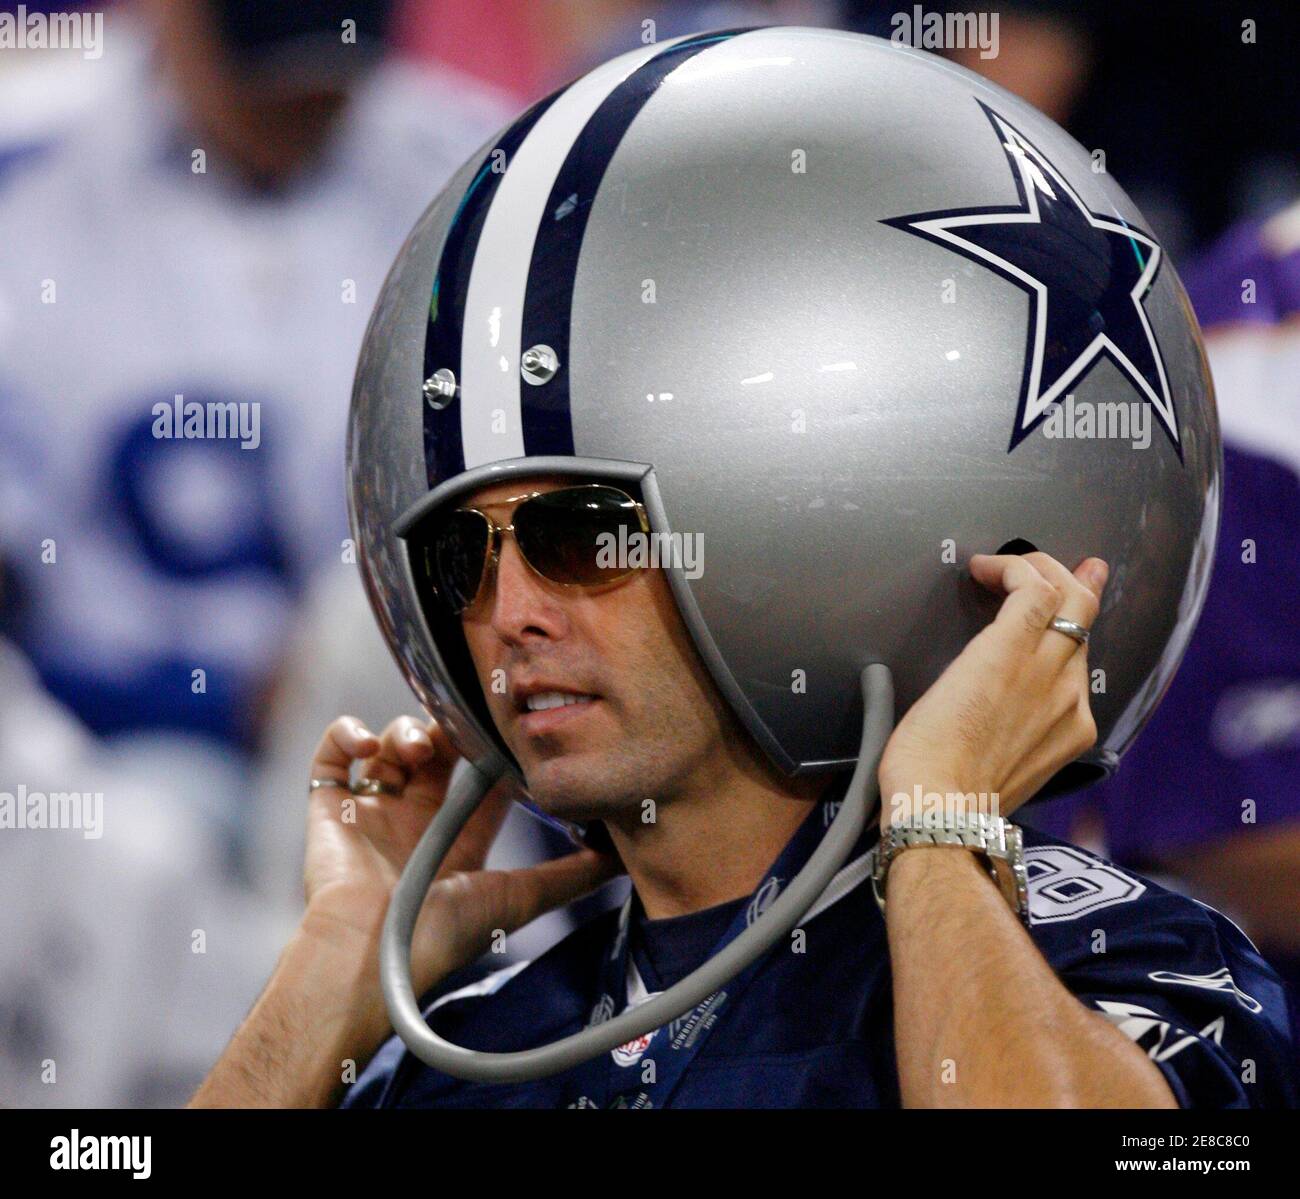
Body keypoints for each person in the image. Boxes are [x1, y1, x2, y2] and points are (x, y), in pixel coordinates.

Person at [192, 27, 1296, 1108]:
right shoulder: (477, 1039)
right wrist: (337, 958)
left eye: (579, 537)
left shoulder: (1119, 962)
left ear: (805, 529)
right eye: (458, 558)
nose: (508, 613)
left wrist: (938, 831)